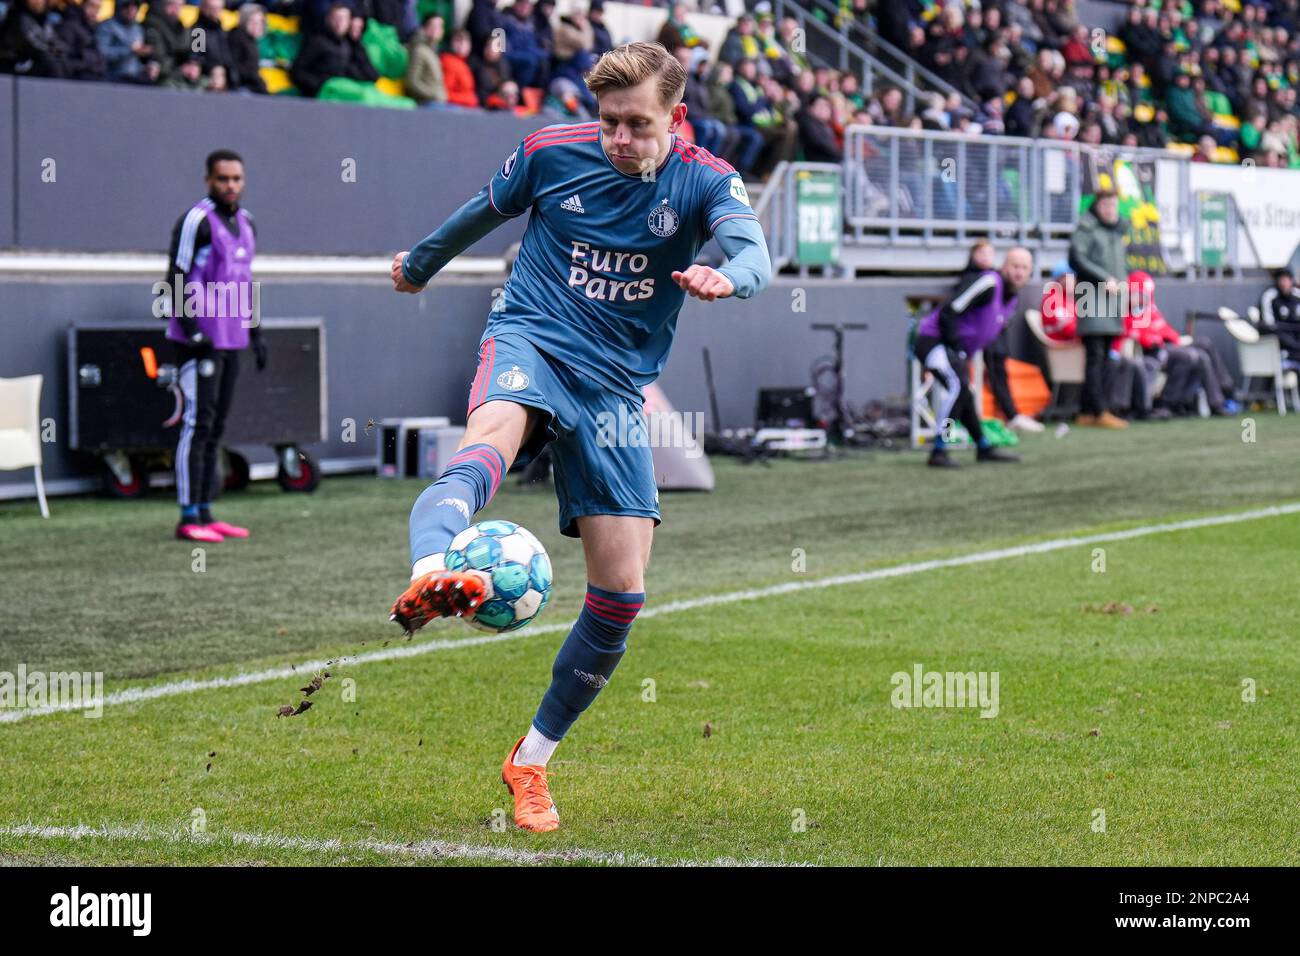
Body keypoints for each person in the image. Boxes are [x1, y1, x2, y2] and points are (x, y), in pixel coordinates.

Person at [387, 41, 771, 833]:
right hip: (532, 335)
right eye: (609, 123)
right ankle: (432, 571)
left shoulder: (705, 179)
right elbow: (478, 213)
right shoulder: (549, 154)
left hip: (616, 387)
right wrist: (419, 266)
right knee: (490, 436)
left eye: (638, 124)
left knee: (623, 592)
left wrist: (727, 276)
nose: (620, 140)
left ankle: (529, 762)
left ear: (677, 117)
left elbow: (753, 248)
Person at [164, 149, 266, 543]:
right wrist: (192, 331)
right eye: (223, 179)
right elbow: (175, 274)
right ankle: (188, 515)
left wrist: (255, 331)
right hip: (198, 341)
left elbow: (245, 281)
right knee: (197, 424)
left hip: (231, 337)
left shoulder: (247, 222)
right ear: (209, 180)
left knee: (217, 425)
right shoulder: (195, 220)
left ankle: (207, 511)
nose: (230, 185)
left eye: (237, 179)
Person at [915, 247, 1035, 467]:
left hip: (957, 350)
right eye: (1015, 266)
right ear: (1004, 266)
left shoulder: (1012, 301)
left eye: (1024, 268)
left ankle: (983, 446)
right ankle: (940, 448)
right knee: (957, 387)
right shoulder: (989, 283)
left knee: (965, 394)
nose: (1019, 272)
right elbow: (949, 311)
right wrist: (958, 350)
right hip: (934, 341)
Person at [1068, 188, 1129, 429]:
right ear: (1096, 206)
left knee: (1103, 356)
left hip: (1111, 302)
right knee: (1096, 358)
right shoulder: (1087, 229)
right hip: (1092, 299)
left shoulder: (1114, 230)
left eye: (1113, 206)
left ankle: (1086, 411)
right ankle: (1100, 410)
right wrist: (1105, 278)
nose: (1110, 211)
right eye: (1106, 206)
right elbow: (1077, 259)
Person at [1258, 268, 1300, 359]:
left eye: (1286, 279)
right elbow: (1268, 325)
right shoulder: (1269, 296)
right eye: (1281, 280)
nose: (1283, 283)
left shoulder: (1297, 295)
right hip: (1281, 339)